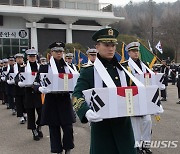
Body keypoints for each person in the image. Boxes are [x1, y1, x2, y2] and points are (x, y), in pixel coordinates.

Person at [73, 28, 136, 154]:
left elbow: (135, 91)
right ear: (97, 46)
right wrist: (85, 111)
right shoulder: (89, 71)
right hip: (102, 128)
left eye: (113, 45)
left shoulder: (124, 70)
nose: (111, 48)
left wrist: (151, 103)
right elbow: (77, 94)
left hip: (124, 127)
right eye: (106, 45)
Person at [35, 42, 75, 154]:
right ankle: (57, 150)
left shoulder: (69, 67)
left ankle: (68, 148)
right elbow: (36, 83)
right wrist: (40, 89)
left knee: (68, 127)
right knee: (54, 128)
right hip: (51, 100)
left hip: (64, 100)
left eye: (61, 51)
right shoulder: (44, 67)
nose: (59, 53)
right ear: (51, 53)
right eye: (56, 51)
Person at [125, 42, 153, 154]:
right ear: (129, 53)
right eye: (133, 51)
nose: (136, 53)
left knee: (147, 121)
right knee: (135, 123)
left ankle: (146, 144)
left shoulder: (145, 65)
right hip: (133, 97)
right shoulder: (125, 65)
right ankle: (137, 146)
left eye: (137, 51)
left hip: (144, 97)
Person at [17, 49, 43, 141]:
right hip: (28, 93)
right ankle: (34, 131)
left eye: (34, 56)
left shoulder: (40, 66)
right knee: (30, 114)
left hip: (39, 93)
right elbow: (18, 78)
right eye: (30, 56)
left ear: (36, 57)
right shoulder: (23, 67)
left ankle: (39, 126)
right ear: (27, 57)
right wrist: (20, 83)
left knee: (41, 113)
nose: (32, 58)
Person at [14, 53, 27, 124]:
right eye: (18, 58)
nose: (19, 59)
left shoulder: (26, 66)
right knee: (18, 102)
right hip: (17, 87)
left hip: (25, 87)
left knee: (25, 101)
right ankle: (21, 116)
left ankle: (25, 112)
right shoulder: (13, 67)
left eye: (21, 58)